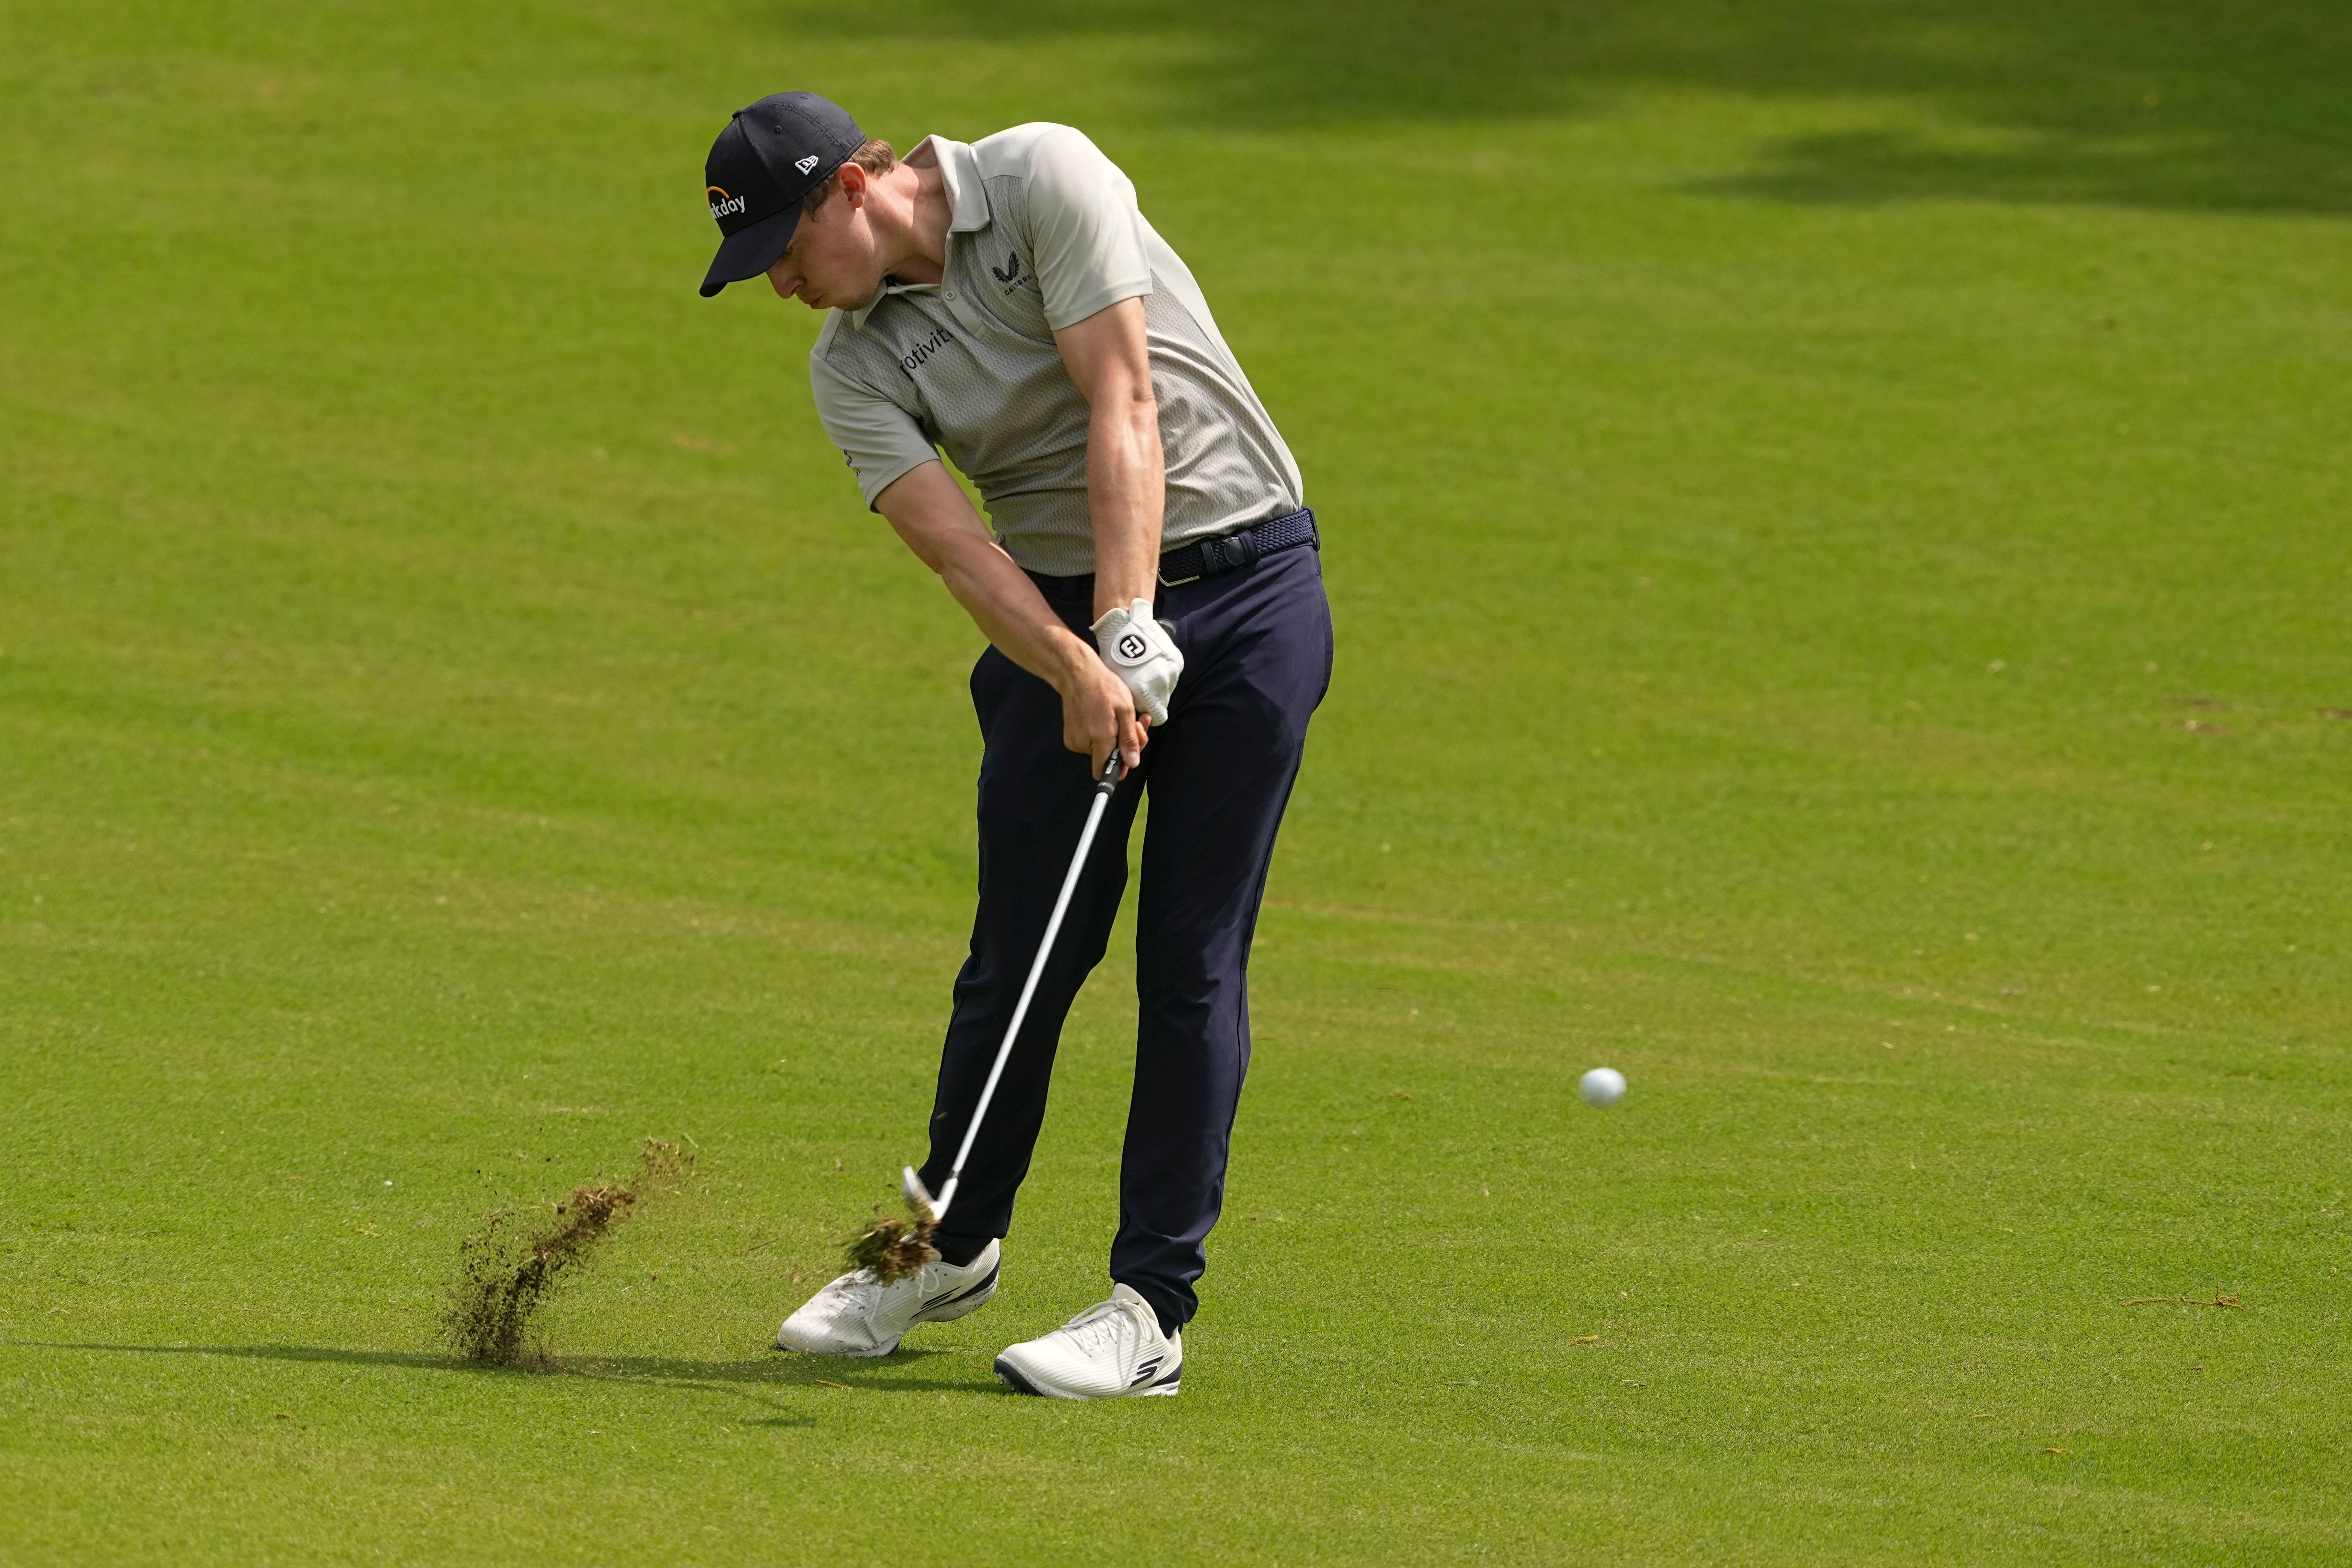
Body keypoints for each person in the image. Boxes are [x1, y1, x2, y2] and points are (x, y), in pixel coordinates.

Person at [698, 92, 1330, 1399]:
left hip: (1248, 586)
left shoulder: (1045, 175)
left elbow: (1124, 396)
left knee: (1188, 960)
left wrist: (1129, 620)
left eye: (784, 248)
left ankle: (1148, 1311)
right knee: (1022, 949)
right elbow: (956, 546)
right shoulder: (852, 363)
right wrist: (1076, 662)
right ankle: (950, 1243)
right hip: (1056, 619)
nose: (783, 285)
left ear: (851, 190)